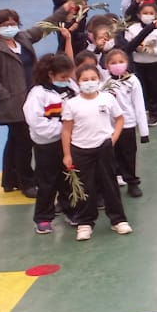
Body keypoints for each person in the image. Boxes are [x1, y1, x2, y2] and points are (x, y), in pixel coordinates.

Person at [0, 8, 62, 198]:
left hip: (29, 101)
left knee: (15, 141)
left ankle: (10, 180)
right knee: (24, 143)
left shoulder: (22, 39)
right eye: (5, 25)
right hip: (13, 106)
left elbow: (42, 28)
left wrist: (63, 12)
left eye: (13, 24)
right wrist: (6, 96)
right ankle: (27, 182)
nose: (10, 27)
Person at [62, 65, 132, 241]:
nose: (89, 82)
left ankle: (118, 220)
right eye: (85, 79)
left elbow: (119, 119)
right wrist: (67, 154)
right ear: (78, 82)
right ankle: (85, 223)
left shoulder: (107, 99)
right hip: (80, 149)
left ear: (99, 80)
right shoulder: (71, 104)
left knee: (110, 184)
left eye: (93, 79)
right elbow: (66, 130)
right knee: (85, 187)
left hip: (104, 148)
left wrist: (112, 139)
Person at [23, 53, 76, 234]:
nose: (66, 80)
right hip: (47, 145)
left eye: (68, 77)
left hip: (67, 143)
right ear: (50, 74)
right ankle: (43, 217)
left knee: (68, 179)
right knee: (47, 182)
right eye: (63, 77)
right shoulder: (38, 94)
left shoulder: (70, 88)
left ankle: (70, 210)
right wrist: (65, 128)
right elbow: (37, 123)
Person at [101, 49, 150, 197]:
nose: (117, 65)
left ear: (127, 63)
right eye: (113, 62)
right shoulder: (105, 83)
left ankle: (132, 182)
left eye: (121, 62)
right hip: (110, 126)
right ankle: (114, 178)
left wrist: (144, 132)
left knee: (128, 155)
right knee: (111, 154)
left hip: (128, 124)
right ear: (107, 65)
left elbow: (139, 106)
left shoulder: (132, 81)